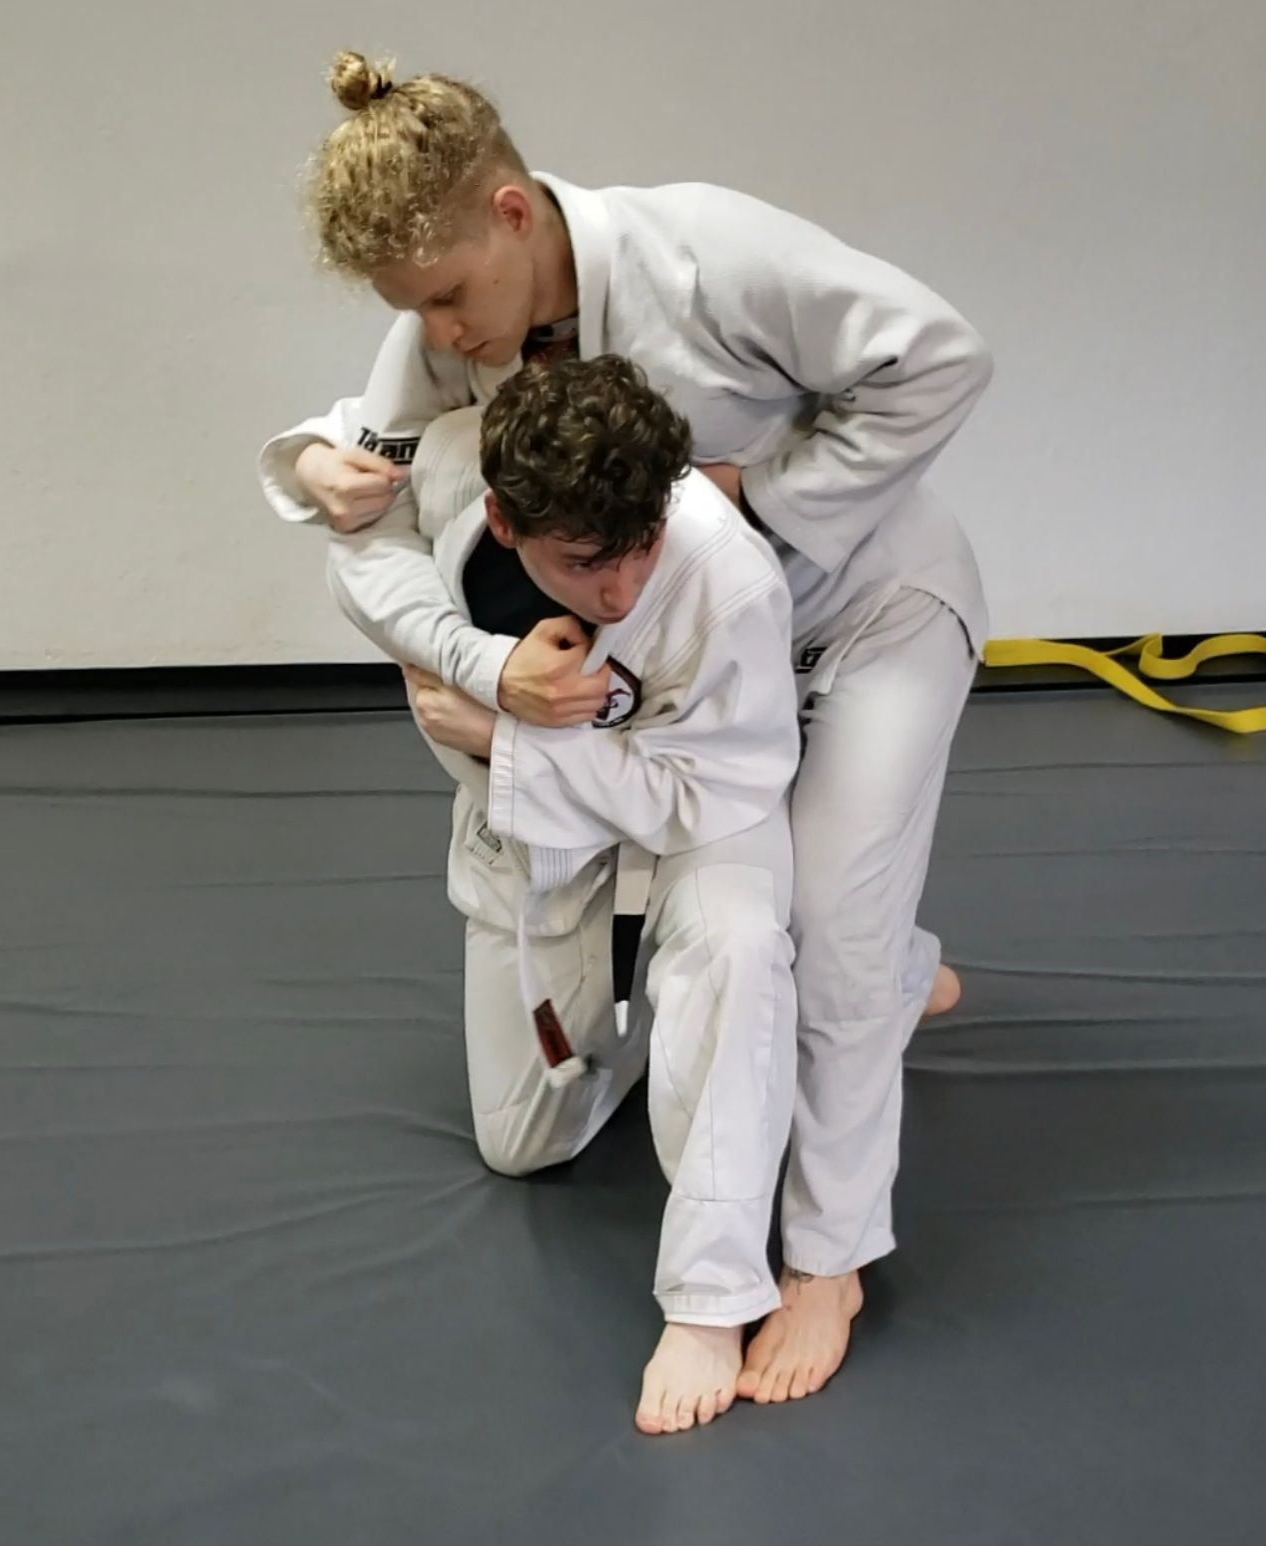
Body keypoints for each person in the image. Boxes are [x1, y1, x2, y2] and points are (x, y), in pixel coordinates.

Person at [259, 50, 990, 1408]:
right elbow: (384, 471)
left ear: (513, 212)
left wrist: (764, 496)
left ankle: (829, 1256)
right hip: (696, 659)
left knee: (820, 924)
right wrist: (312, 460)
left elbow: (939, 354)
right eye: (409, 313)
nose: (440, 338)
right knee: (777, 933)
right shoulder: (446, 318)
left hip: (863, 605)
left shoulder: (709, 253)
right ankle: (897, 963)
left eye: (448, 300)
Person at [335, 351, 804, 1434]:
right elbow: (349, 547)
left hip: (702, 818)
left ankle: (711, 1298)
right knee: (523, 1142)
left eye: (641, 545)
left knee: (733, 943)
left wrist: (510, 736)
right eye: (588, 561)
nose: (623, 587)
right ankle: (648, 1032)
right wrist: (479, 665)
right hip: (537, 834)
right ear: (505, 521)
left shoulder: (724, 578)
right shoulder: (456, 472)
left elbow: (712, 788)